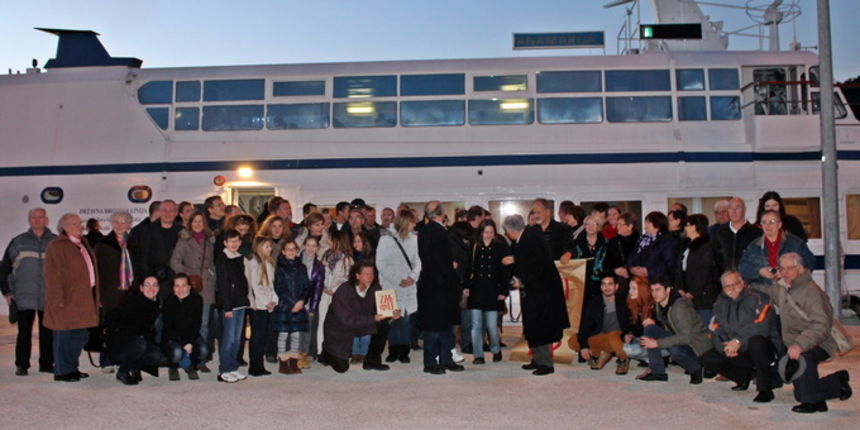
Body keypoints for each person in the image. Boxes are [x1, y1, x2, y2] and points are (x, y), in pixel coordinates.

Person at [751, 253, 852, 413]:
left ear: (800, 269)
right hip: (796, 343)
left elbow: (821, 324)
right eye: (781, 268)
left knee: (803, 365)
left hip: (820, 341)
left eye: (789, 268)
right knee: (802, 391)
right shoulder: (784, 288)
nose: (784, 272)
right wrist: (747, 287)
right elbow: (769, 290)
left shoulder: (812, 292)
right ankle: (823, 396)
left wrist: (800, 345)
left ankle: (836, 383)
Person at [503, 214, 569, 376]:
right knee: (533, 325)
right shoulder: (526, 238)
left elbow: (537, 266)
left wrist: (521, 281)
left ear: (510, 231)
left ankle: (546, 364)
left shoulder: (529, 239)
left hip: (543, 292)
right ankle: (537, 359)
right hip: (536, 291)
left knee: (541, 326)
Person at [701, 271, 782, 403]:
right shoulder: (719, 304)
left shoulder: (759, 298)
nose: (732, 288)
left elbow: (761, 327)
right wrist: (725, 348)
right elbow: (714, 328)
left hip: (762, 348)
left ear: (743, 283)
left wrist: (739, 341)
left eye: (735, 284)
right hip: (736, 348)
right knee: (708, 358)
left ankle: (765, 389)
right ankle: (742, 376)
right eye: (727, 286)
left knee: (757, 342)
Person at [43, 213, 100, 382]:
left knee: (78, 336)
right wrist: (58, 299)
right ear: (65, 227)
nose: (79, 226)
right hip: (66, 300)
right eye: (75, 223)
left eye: (79, 223)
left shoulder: (82, 243)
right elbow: (52, 275)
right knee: (65, 337)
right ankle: (61, 371)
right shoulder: (57, 246)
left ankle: (72, 368)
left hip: (82, 298)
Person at [1, 208, 57, 376]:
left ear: (46, 220)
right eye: (34, 218)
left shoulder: (55, 241)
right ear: (29, 220)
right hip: (23, 295)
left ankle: (47, 364)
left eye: (40, 217)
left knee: (47, 333)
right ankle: (22, 365)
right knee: (24, 333)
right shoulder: (18, 241)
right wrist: (7, 292)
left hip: (48, 296)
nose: (37, 220)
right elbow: (4, 268)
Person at [320, 261, 400, 373]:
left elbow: (382, 312)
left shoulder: (376, 288)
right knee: (342, 368)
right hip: (339, 330)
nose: (370, 277)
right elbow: (346, 320)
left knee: (383, 324)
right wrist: (373, 319)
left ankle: (372, 360)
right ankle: (327, 352)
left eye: (372, 274)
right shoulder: (344, 290)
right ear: (357, 275)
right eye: (366, 274)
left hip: (362, 323)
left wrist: (392, 315)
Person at [637, 276, 712, 384]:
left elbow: (687, 337)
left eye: (658, 289)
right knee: (650, 329)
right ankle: (657, 372)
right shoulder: (660, 304)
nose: (654, 293)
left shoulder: (680, 307)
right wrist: (655, 324)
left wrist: (657, 343)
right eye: (652, 290)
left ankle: (696, 368)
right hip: (682, 340)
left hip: (697, 346)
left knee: (674, 349)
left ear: (668, 290)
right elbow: (670, 327)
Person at [417, 201, 463, 375]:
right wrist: (451, 268)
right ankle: (432, 362)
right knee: (436, 327)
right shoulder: (439, 232)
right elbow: (440, 259)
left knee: (442, 326)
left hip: (431, 284)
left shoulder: (424, 231)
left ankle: (444, 359)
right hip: (441, 285)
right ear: (441, 213)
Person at [169, 211, 216, 373]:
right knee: (186, 323)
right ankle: (184, 357)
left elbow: (212, 264)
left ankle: (200, 360)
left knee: (203, 325)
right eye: (194, 221)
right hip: (188, 286)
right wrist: (187, 276)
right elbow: (174, 261)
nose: (197, 224)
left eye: (200, 222)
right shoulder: (184, 240)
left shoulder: (209, 241)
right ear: (189, 223)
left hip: (206, 286)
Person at [376, 209, 421, 364]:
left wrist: (412, 277)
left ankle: (404, 350)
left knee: (406, 319)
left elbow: (418, 261)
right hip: (390, 286)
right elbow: (380, 263)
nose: (414, 225)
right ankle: (393, 350)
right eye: (412, 222)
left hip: (408, 286)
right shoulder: (386, 239)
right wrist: (397, 279)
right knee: (392, 319)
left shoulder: (414, 239)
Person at [464, 219, 511, 364]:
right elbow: (468, 268)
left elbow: (505, 271)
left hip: (493, 290)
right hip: (477, 289)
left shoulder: (501, 247)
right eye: (486, 232)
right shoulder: (474, 246)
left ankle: (496, 349)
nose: (488, 235)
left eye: (491, 232)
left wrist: (504, 290)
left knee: (491, 325)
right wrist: (466, 286)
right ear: (481, 232)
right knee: (476, 325)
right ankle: (478, 355)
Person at [93, 211, 135, 370]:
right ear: (111, 224)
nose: (120, 225)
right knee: (110, 329)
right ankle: (107, 361)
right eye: (116, 221)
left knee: (128, 329)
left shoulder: (134, 244)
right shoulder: (103, 244)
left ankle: (125, 360)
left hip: (130, 293)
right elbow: (97, 273)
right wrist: (97, 296)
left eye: (124, 222)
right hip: (110, 293)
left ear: (129, 225)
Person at [105, 276, 162, 385]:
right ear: (141, 288)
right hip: (122, 343)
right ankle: (123, 372)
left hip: (138, 341)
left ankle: (134, 367)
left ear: (158, 288)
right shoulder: (132, 302)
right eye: (147, 285)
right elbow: (111, 318)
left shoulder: (156, 303)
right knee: (140, 344)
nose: (151, 288)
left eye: (155, 285)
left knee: (156, 354)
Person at [739, 210, 815, 285]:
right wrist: (759, 271)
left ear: (779, 224)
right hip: (764, 291)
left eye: (771, 222)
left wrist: (788, 272)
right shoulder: (754, 246)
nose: (767, 226)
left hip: (790, 289)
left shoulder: (795, 243)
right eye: (764, 222)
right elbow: (742, 267)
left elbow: (810, 263)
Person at [214, 229, 250, 383]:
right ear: (225, 243)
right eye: (231, 241)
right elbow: (223, 285)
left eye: (237, 241)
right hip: (230, 305)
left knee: (237, 339)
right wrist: (227, 307)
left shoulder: (239, 258)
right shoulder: (222, 259)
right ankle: (224, 369)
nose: (234, 244)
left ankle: (233, 367)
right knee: (228, 338)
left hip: (241, 303)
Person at [578, 274, 631, 375]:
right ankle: (602, 354)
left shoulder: (624, 301)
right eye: (604, 284)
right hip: (602, 336)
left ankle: (623, 359)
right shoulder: (594, 302)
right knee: (573, 341)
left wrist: (630, 333)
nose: (607, 287)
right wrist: (584, 346)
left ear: (616, 286)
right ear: (601, 287)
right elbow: (585, 325)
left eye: (610, 284)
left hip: (619, 337)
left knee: (613, 336)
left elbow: (632, 321)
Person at [272, 240, 310, 374]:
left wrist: (301, 302)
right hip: (285, 306)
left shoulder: (302, 267)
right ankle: (282, 362)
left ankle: (294, 361)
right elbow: (279, 288)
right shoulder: (280, 267)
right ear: (283, 251)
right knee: (283, 335)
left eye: (293, 249)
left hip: (299, 306)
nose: (291, 251)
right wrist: (292, 303)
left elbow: (306, 286)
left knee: (296, 335)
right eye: (288, 249)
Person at [675, 213, 721, 325]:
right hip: (687, 296)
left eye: (687, 225)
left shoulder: (706, 247)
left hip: (703, 298)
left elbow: (704, 272)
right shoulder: (686, 245)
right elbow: (680, 269)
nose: (685, 228)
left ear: (695, 227)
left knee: (703, 327)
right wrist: (680, 288)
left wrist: (692, 292)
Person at [161, 274, 207, 381]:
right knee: (177, 353)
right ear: (173, 288)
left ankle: (189, 365)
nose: (180, 289)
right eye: (177, 286)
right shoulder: (169, 301)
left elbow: (197, 323)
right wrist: (184, 344)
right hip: (173, 337)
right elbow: (168, 327)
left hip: (191, 335)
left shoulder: (197, 299)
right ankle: (173, 367)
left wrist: (190, 342)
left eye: (184, 285)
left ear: (189, 287)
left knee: (203, 351)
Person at [316, 231, 354, 355]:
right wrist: (323, 287)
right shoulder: (324, 256)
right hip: (324, 294)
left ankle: (337, 351)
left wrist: (336, 289)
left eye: (331, 240)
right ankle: (321, 351)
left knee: (338, 324)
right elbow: (318, 275)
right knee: (322, 322)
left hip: (340, 298)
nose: (328, 242)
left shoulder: (348, 260)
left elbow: (349, 280)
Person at [244, 237, 278, 376]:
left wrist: (274, 299)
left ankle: (260, 364)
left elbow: (271, 285)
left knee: (263, 336)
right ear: (259, 248)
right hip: (258, 305)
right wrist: (265, 302)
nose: (270, 249)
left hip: (267, 304)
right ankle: (254, 365)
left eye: (270, 247)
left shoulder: (268, 262)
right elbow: (255, 286)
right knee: (257, 337)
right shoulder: (254, 263)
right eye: (267, 247)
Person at [138, 199, 182, 299]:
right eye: (164, 210)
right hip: (155, 280)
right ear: (159, 212)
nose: (168, 213)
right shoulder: (148, 229)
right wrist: (147, 280)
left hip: (177, 280)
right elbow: (143, 256)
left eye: (171, 210)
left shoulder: (181, 231)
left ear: (176, 213)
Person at [562, 215, 607, 301]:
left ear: (598, 226)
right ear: (584, 226)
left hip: (601, 284)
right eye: (587, 224)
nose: (590, 227)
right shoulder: (575, 243)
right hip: (580, 284)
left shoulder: (606, 244)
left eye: (593, 224)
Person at [713, 197, 761, 273]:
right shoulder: (719, 234)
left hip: (748, 281)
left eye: (737, 207)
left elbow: (760, 260)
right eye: (731, 208)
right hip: (724, 282)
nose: (734, 211)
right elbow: (714, 261)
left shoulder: (756, 233)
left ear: (744, 210)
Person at [628, 211, 676, 282]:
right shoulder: (641, 239)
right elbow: (631, 257)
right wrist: (631, 269)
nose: (645, 226)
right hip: (639, 281)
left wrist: (649, 271)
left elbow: (670, 265)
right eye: (645, 222)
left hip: (658, 282)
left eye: (648, 222)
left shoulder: (667, 241)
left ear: (657, 223)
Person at [301, 236, 326, 363]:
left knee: (310, 326)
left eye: (314, 246)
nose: (311, 248)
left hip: (310, 300)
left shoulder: (319, 266)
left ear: (317, 248)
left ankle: (309, 352)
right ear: (304, 246)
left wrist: (313, 307)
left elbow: (318, 288)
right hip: (294, 300)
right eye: (308, 245)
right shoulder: (295, 260)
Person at [622, 276, 655, 365]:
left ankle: (653, 358)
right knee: (625, 347)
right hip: (640, 340)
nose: (630, 291)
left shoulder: (654, 306)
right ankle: (648, 358)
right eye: (630, 288)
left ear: (642, 290)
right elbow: (632, 327)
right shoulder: (632, 305)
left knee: (630, 349)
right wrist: (630, 335)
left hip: (657, 342)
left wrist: (654, 323)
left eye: (634, 289)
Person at [604, 212, 640, 284]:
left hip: (637, 280)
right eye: (617, 224)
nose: (618, 227)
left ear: (630, 226)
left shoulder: (640, 241)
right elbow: (605, 264)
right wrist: (615, 270)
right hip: (618, 281)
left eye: (621, 224)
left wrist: (629, 271)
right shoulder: (613, 241)